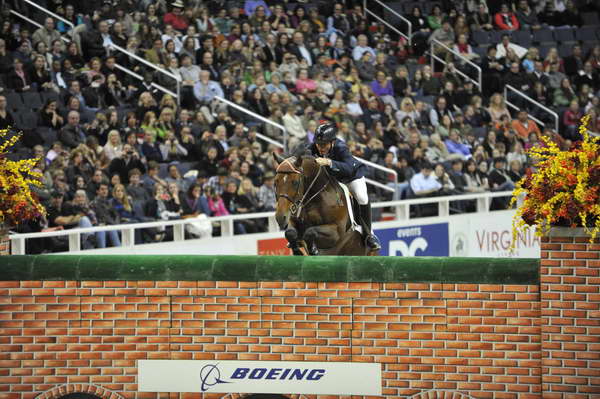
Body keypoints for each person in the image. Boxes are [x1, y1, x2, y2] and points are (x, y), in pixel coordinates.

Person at [302, 122, 380, 251]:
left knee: (361, 197)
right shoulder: (313, 147)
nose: (320, 148)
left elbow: (349, 168)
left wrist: (329, 162)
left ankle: (368, 235)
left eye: (324, 145)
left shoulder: (341, 147)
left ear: (332, 142)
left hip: (351, 177)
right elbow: (301, 155)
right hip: (334, 180)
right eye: (318, 144)